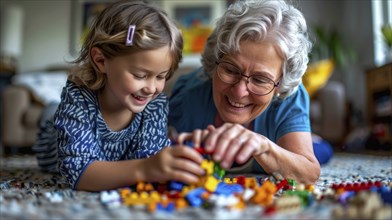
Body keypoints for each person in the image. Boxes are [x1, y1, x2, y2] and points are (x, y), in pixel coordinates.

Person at [32, 0, 206, 191]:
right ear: (101, 61)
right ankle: (51, 108)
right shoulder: (78, 98)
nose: (151, 88)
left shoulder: (155, 104)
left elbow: (151, 162)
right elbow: (80, 174)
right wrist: (147, 168)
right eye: (140, 75)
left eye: (161, 76)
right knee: (52, 112)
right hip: (51, 140)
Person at [169, 0, 333, 185]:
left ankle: (310, 139)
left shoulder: (289, 97)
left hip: (281, 138)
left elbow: (309, 173)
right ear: (215, 61)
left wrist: (263, 146)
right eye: (230, 70)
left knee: (323, 152)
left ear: (281, 85)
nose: (239, 92)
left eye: (260, 79)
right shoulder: (187, 97)